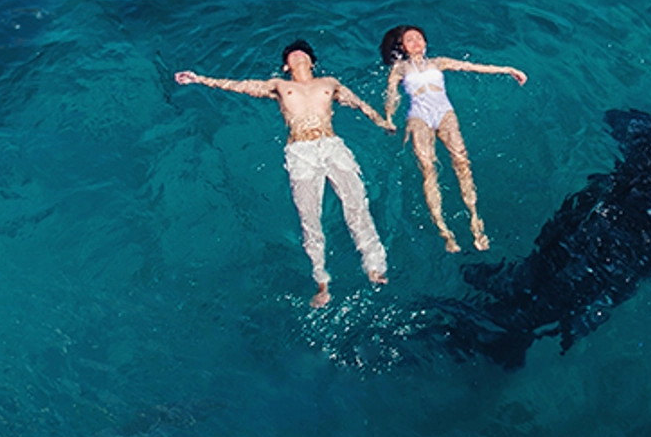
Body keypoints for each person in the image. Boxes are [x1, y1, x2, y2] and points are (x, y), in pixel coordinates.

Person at [176, 40, 393, 307]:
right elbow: (241, 85)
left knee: (357, 205)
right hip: (300, 151)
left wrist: (381, 121)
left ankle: (375, 266)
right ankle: (322, 281)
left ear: (312, 62)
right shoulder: (279, 86)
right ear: (285, 65)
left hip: (333, 145)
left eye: (303, 52)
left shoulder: (330, 82)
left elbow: (357, 103)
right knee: (309, 216)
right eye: (292, 53)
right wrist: (201, 79)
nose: (298, 53)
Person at [381, 25, 527, 254]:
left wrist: (507, 69)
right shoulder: (399, 69)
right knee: (428, 169)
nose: (416, 42)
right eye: (410, 40)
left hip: (445, 115)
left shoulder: (438, 62)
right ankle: (444, 229)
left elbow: (473, 67)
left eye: (419, 38)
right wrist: (389, 118)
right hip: (418, 118)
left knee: (462, 162)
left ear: (425, 43)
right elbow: (392, 94)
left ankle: (475, 221)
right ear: (403, 48)